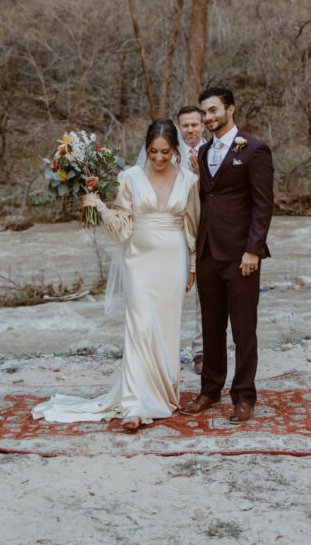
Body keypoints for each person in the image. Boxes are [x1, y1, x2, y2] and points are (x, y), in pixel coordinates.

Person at [33, 117, 199, 433]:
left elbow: (192, 227)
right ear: (146, 149)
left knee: (166, 331)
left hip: (174, 262)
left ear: (174, 149)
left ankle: (164, 396)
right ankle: (135, 404)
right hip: (139, 261)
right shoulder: (130, 177)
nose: (160, 158)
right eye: (153, 151)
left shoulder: (189, 181)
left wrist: (192, 266)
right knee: (138, 328)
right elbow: (122, 227)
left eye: (165, 152)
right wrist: (98, 205)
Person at [181, 86, 274, 424]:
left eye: (213, 110)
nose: (207, 117)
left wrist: (253, 249)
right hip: (208, 253)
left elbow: (263, 206)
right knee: (211, 326)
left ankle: (244, 396)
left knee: (244, 329)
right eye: (204, 112)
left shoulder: (254, 150)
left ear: (230, 110)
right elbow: (208, 199)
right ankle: (209, 390)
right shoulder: (203, 152)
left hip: (240, 255)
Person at [177, 105, 207, 375]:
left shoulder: (215, 152)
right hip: (177, 231)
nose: (190, 130)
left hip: (208, 231)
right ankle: (164, 350)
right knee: (173, 291)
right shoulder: (169, 156)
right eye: (184, 125)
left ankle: (201, 352)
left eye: (194, 125)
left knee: (206, 296)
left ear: (203, 125)